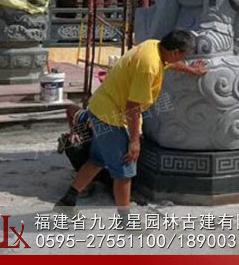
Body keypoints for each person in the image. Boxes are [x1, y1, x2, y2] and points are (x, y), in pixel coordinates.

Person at [54, 30, 205, 219]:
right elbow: (132, 106)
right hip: (113, 118)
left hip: (101, 109)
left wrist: (191, 70)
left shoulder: (154, 46)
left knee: (97, 160)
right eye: (184, 55)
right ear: (175, 51)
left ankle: (67, 201)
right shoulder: (148, 66)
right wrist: (134, 141)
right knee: (124, 171)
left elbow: (169, 64)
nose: (184, 58)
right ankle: (125, 220)